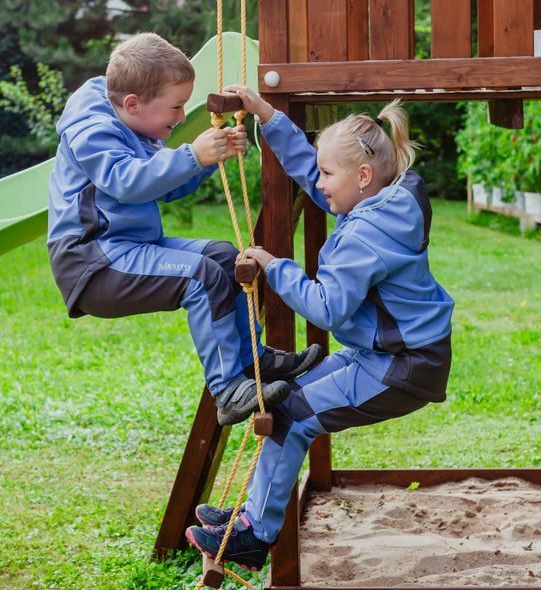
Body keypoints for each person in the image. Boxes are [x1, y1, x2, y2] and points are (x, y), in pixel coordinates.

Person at [185, 89, 454, 570]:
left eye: (331, 174)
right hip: (383, 353)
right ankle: (251, 516)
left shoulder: (368, 234)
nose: (321, 183)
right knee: (284, 399)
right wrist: (269, 117)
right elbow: (311, 172)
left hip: (404, 366)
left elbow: (326, 308)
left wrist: (275, 266)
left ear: (363, 177)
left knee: (292, 416)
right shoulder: (380, 203)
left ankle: (253, 534)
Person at [47, 34, 323, 427]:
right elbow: (128, 181)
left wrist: (212, 157)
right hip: (92, 261)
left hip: (129, 248)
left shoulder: (132, 120)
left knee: (226, 259)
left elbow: (169, 184)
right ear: (132, 104)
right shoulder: (92, 129)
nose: (180, 117)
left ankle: (252, 361)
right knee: (201, 275)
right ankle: (228, 391)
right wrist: (192, 153)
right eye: (175, 107)